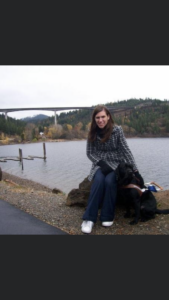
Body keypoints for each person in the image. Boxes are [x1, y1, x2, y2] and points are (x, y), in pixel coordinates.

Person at [81, 104, 140, 234]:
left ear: (108, 117)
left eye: (103, 117)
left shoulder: (117, 130)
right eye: (97, 117)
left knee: (110, 182)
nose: (100, 120)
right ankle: (89, 218)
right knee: (99, 181)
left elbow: (126, 151)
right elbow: (90, 153)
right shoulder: (92, 132)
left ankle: (107, 216)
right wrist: (101, 163)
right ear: (94, 119)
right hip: (100, 164)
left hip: (116, 164)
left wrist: (135, 170)